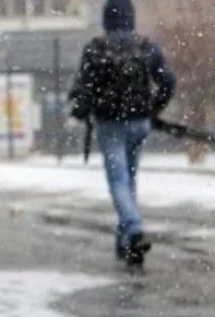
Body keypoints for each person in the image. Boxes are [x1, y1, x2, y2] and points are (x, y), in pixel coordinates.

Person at [68, 0, 176, 267]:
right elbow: (168, 81)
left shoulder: (96, 49)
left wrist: (82, 108)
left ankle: (134, 228)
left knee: (118, 181)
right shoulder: (146, 46)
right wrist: (153, 108)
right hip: (140, 123)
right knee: (129, 179)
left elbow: (83, 88)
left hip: (110, 125)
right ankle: (127, 242)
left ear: (106, 20)